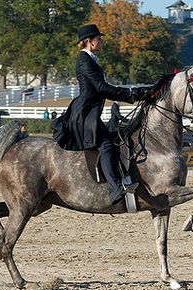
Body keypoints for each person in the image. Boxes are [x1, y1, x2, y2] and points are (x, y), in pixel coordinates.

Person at [51, 24, 149, 204]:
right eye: (99, 38)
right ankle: (114, 188)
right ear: (89, 41)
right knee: (105, 144)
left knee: (114, 139)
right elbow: (101, 88)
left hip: (91, 113)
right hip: (84, 114)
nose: (101, 41)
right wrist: (130, 94)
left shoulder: (91, 59)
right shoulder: (84, 60)